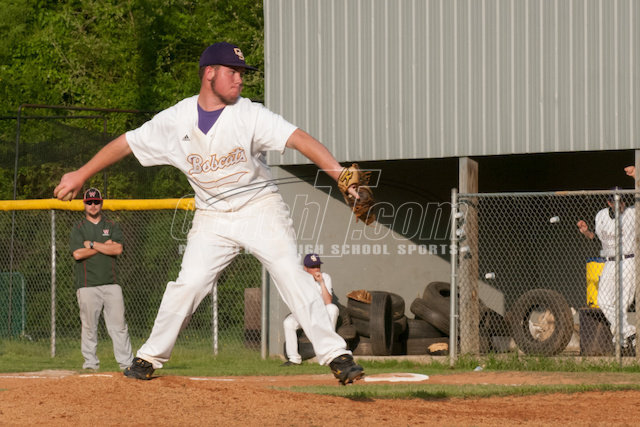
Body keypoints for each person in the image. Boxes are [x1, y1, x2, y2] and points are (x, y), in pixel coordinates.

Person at [54, 42, 364, 385]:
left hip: (259, 208)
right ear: (210, 73)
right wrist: (81, 174)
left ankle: (336, 355)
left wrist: (339, 174)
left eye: (242, 73)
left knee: (291, 272)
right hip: (212, 217)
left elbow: (298, 139)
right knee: (188, 284)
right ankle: (149, 357)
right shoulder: (176, 120)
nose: (240, 79)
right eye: (233, 72)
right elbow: (126, 143)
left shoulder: (250, 114)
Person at [70, 188, 134, 370]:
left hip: (112, 284)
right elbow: (77, 254)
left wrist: (91, 244)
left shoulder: (111, 225)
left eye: (96, 202)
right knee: (89, 327)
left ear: (101, 203)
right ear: (84, 204)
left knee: (119, 326)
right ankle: (90, 364)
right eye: (89, 202)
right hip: (87, 284)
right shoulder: (79, 227)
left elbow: (117, 249)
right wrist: (103, 247)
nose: (93, 205)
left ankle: (126, 364)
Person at [577, 179, 636, 352]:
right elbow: (595, 238)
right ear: (608, 202)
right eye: (614, 201)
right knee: (603, 301)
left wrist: (636, 176)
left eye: (621, 200)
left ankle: (623, 343)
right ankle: (629, 334)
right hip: (609, 262)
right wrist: (586, 232)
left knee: (622, 304)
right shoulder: (601, 216)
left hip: (628, 261)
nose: (618, 204)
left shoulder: (632, 213)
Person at [282, 254, 339, 366]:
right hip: (304, 312)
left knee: (332, 309)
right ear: (305, 268)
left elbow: (328, 301)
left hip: (320, 312)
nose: (316, 269)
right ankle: (294, 359)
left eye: (318, 266)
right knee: (288, 323)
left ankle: (329, 350)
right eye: (312, 267)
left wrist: (321, 282)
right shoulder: (299, 280)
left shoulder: (325, 277)